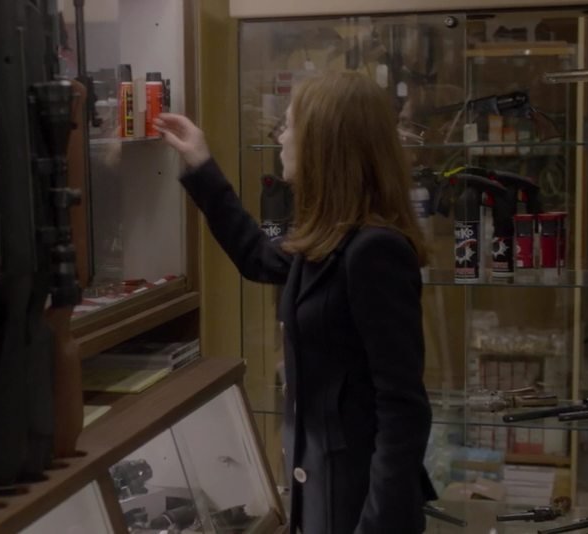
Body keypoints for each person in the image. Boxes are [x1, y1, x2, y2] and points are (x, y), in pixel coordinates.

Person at [154, 71, 437, 534]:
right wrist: (200, 164)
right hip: (323, 491)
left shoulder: (374, 250)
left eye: (289, 126)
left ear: (326, 142)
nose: (281, 138)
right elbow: (257, 258)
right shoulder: (329, 238)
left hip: (360, 504)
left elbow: (403, 409)